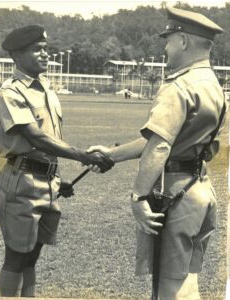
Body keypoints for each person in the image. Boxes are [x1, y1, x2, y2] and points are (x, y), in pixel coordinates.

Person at [88, 7, 226, 300]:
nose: (165, 46)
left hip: (173, 192)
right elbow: (165, 140)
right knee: (187, 281)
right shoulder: (213, 85)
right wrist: (112, 154)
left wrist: (138, 197)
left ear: (184, 41)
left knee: (169, 290)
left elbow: (160, 146)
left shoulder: (179, 86)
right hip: (200, 190)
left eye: (169, 38)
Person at [0, 25, 114, 297]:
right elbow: (37, 139)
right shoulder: (11, 93)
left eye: (46, 49)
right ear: (17, 55)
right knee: (16, 256)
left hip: (46, 182)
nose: (45, 55)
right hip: (20, 183)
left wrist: (56, 175)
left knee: (32, 256)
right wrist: (82, 155)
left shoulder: (46, 88)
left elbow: (48, 141)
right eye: (37, 50)